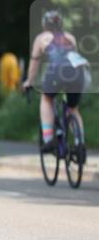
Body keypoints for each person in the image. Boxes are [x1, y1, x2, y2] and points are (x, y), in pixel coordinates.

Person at [23, 10, 89, 152]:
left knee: (46, 99)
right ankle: (80, 144)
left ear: (44, 25)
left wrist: (29, 81)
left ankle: (48, 140)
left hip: (57, 72)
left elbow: (34, 64)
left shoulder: (41, 38)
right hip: (78, 71)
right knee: (73, 108)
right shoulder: (70, 37)